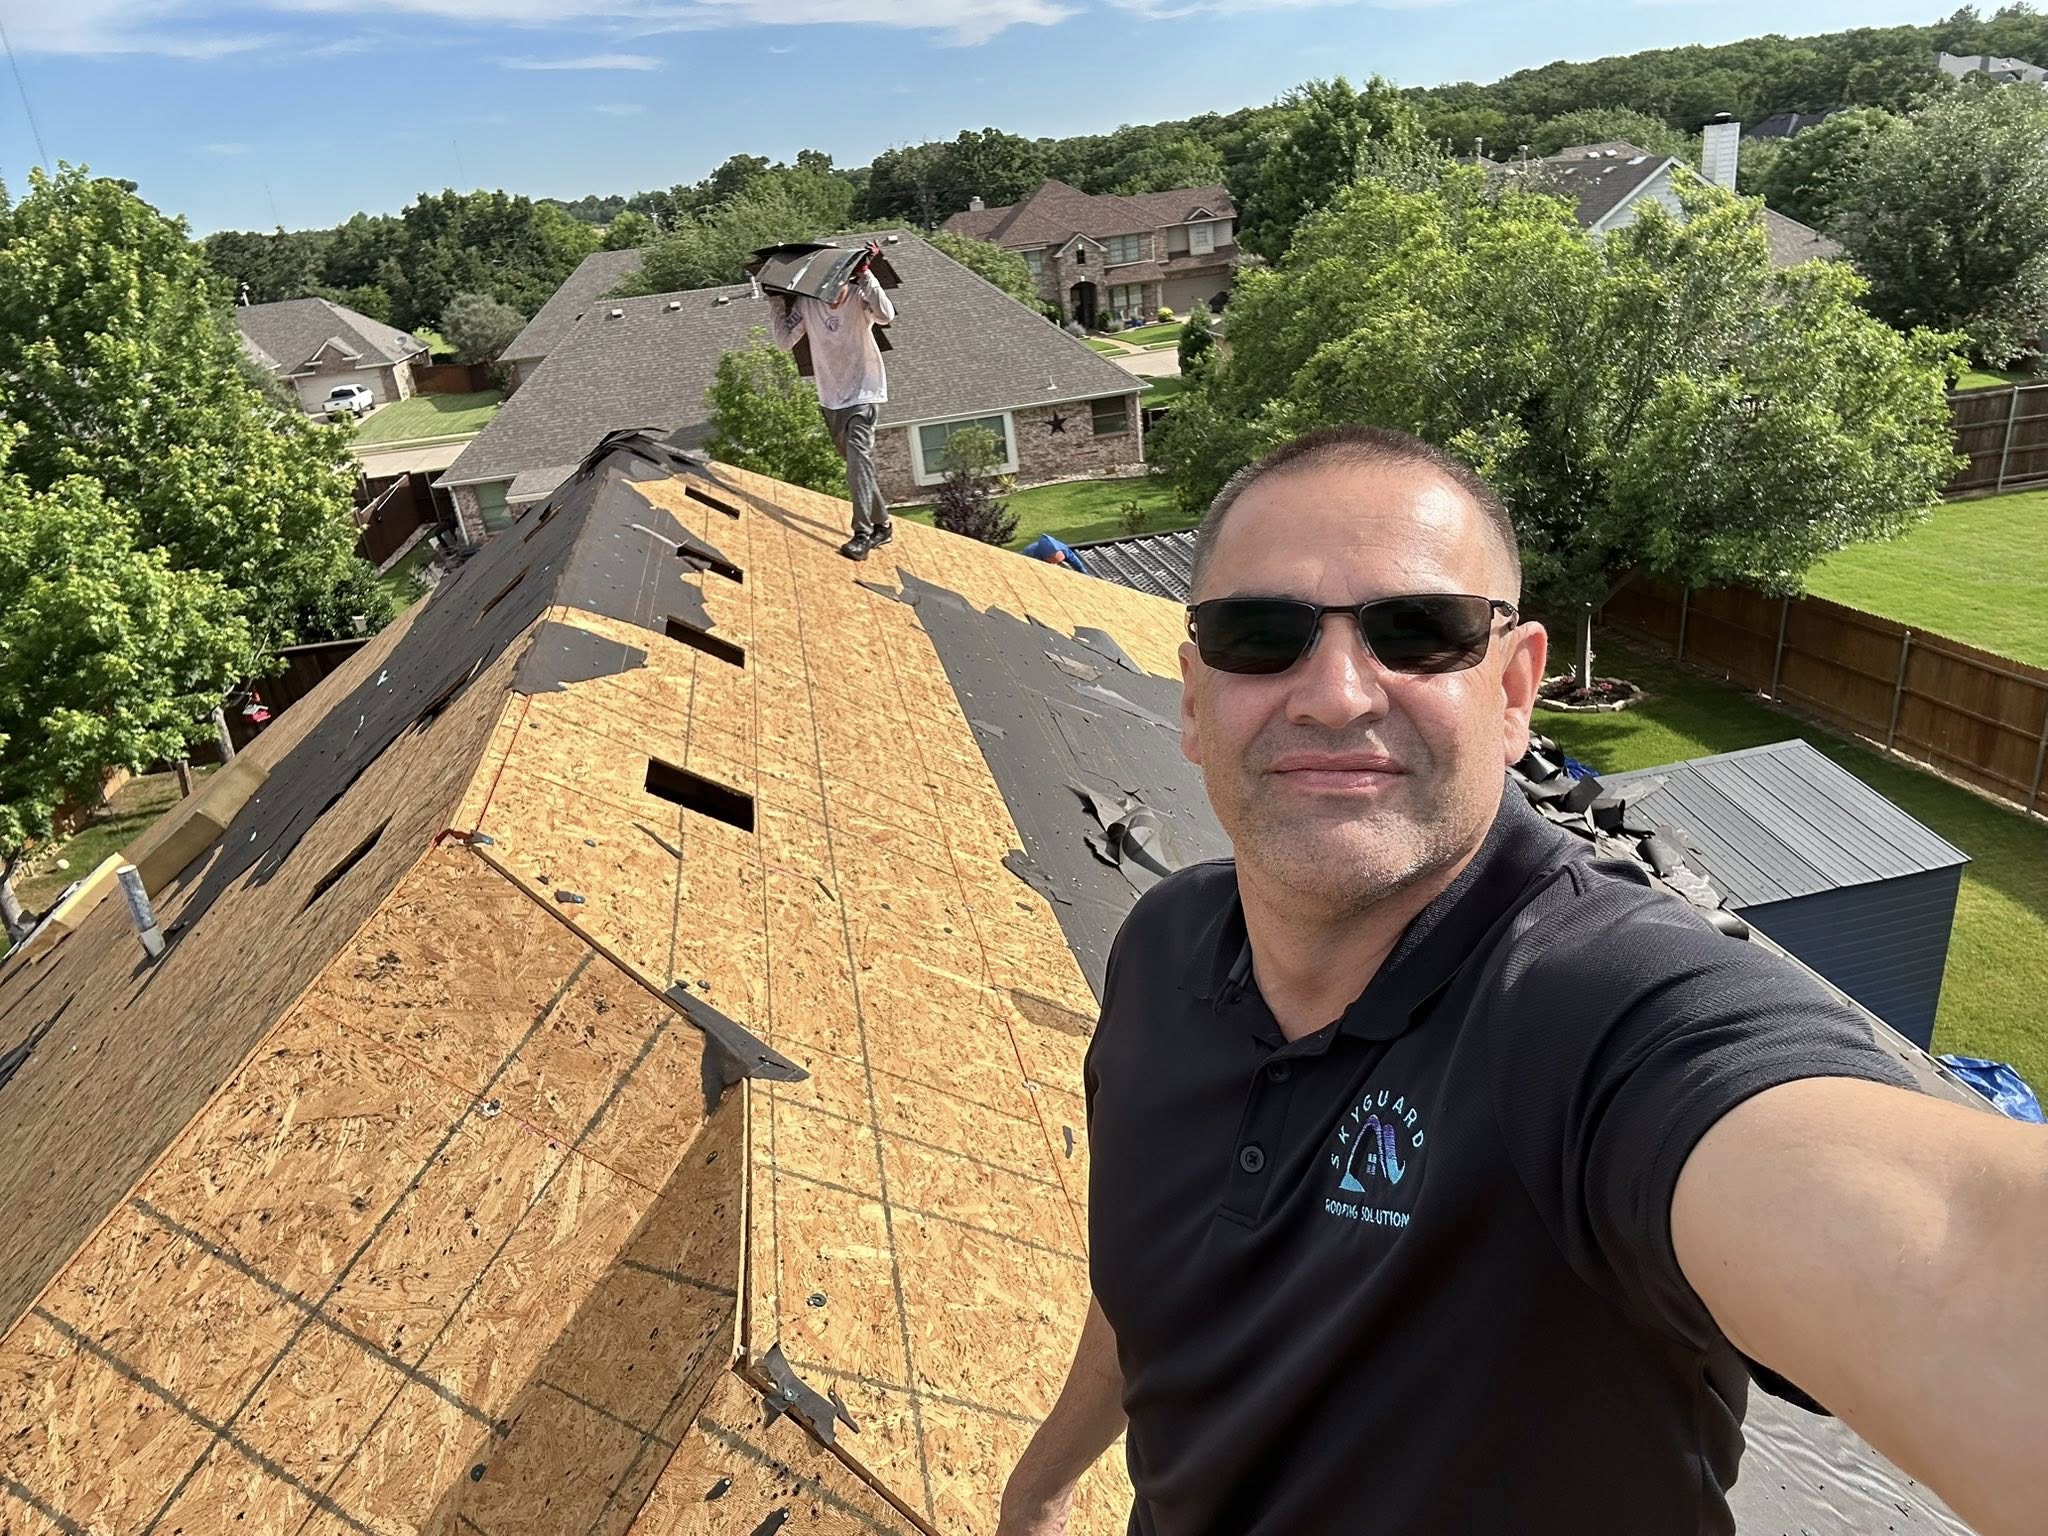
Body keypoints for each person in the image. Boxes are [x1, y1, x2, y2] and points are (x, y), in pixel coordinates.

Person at [996, 424, 2046, 1536]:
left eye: (1419, 632)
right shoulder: (1160, 950)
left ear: (1513, 689)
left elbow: (1959, 1253)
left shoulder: (1597, 1008)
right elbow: (1150, 1284)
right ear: (1193, 698)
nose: (1336, 695)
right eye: (1260, 635)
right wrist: (1042, 1485)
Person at [769, 254, 895, 561]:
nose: (831, 294)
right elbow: (785, 341)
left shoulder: (859, 297)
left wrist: (866, 274)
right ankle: (884, 524)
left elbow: (886, 315)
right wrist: (775, 303)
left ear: (845, 278)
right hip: (831, 396)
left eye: (836, 285)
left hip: (865, 392)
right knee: (855, 464)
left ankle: (862, 534)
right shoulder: (808, 305)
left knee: (858, 459)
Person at [1021, 532, 1094, 575]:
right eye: (1054, 562)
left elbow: (1076, 563)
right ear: (1048, 558)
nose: (1057, 564)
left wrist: (1084, 573)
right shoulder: (1033, 554)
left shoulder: (1064, 550)